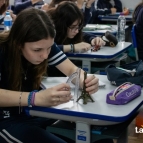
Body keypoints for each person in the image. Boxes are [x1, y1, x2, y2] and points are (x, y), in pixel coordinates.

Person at [0, 7, 99, 143]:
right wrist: (34, 98)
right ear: (18, 44)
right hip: (6, 120)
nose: (45, 55)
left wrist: (85, 80)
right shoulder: (2, 51)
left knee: (97, 136)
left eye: (49, 48)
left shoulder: (43, 43)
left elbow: (72, 70)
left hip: (33, 113)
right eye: (37, 50)